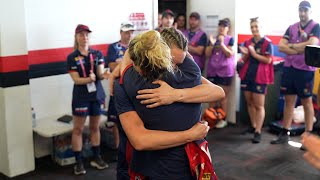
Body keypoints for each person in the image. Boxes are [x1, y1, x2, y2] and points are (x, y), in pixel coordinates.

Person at [114, 29, 222, 179]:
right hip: (160, 166)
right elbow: (139, 140)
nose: (174, 66)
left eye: (179, 62)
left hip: (184, 164)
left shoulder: (128, 82)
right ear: (161, 52)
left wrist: (175, 95)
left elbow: (218, 92)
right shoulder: (192, 75)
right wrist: (189, 135)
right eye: (170, 60)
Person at [270, 1, 320, 146]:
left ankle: (308, 138)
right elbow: (281, 46)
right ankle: (285, 132)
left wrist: (290, 46)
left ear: (310, 11)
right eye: (300, 10)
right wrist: (298, 48)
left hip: (305, 70)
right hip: (289, 69)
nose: (302, 13)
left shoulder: (316, 27)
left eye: (305, 10)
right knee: (289, 102)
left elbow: (312, 44)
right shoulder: (292, 27)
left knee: (307, 102)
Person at [66, 24, 108, 175]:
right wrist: (88, 79)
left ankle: (96, 157)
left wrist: (104, 75)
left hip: (96, 96)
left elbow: (101, 73)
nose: (84, 37)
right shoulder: (71, 57)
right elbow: (76, 80)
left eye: (87, 35)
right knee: (77, 129)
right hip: (81, 97)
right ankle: (78, 162)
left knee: (95, 127)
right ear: (76, 37)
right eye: (81, 35)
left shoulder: (97, 54)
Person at [238, 17, 274, 143]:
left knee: (259, 105)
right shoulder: (248, 42)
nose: (254, 29)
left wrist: (253, 53)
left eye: (256, 26)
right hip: (247, 75)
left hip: (260, 77)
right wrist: (246, 53)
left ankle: (258, 131)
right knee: (249, 102)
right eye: (252, 27)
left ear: (261, 27)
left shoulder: (267, 43)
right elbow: (244, 58)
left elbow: (268, 60)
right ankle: (253, 126)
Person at [105, 22, 135, 151]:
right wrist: (125, 64)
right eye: (126, 32)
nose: (129, 35)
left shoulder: (136, 47)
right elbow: (111, 66)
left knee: (132, 117)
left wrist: (121, 63)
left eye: (131, 32)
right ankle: (118, 148)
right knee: (117, 119)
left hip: (133, 86)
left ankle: (132, 146)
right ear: (121, 32)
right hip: (118, 87)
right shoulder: (113, 47)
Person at [205, 18, 235, 128]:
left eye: (224, 26)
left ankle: (223, 119)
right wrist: (212, 44)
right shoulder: (213, 38)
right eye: (220, 26)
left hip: (225, 72)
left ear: (228, 28)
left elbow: (229, 54)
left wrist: (222, 44)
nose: (221, 28)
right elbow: (207, 54)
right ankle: (211, 118)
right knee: (212, 96)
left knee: (223, 97)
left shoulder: (230, 39)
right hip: (213, 71)